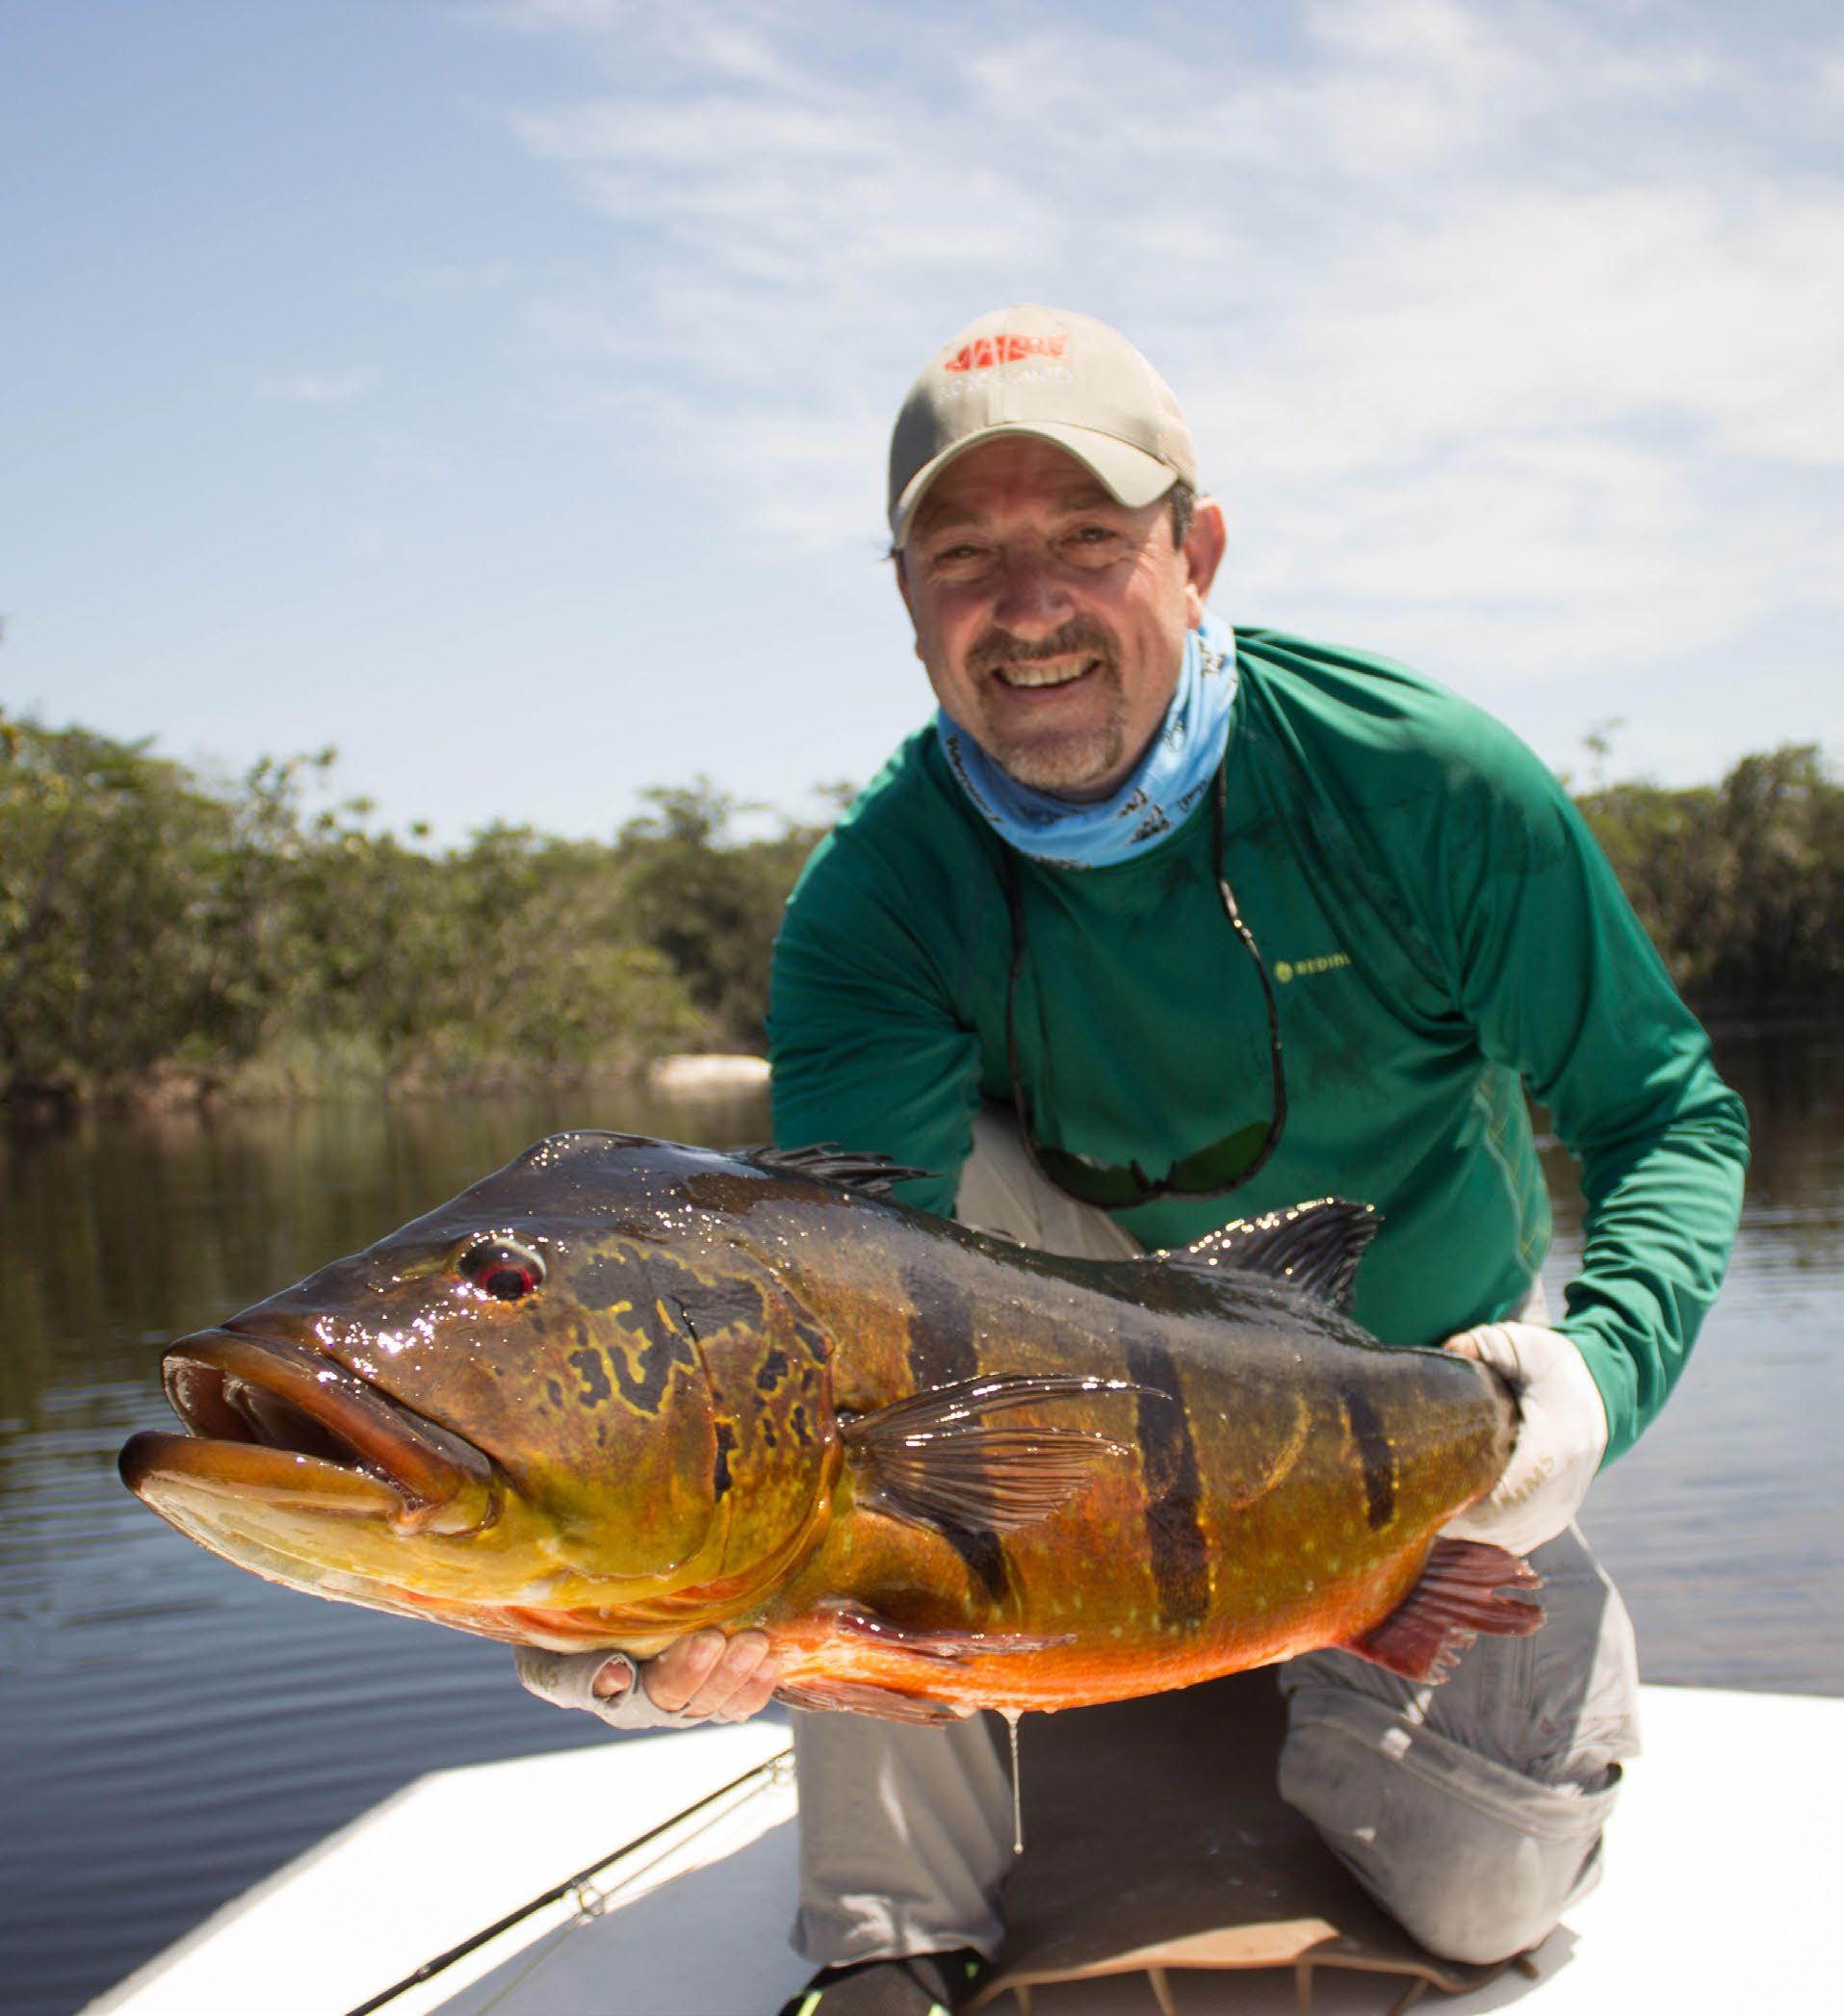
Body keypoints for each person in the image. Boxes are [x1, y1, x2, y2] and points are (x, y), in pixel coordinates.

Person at [518, 304, 1749, 2016]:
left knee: (1485, 1896)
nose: (1029, 606)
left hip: (1413, 1427)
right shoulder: (876, 903)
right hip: (1085, 1402)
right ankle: (891, 1931)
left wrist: (1595, 1374)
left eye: (1089, 536)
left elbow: (1667, 1110)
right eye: (966, 552)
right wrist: (621, 1616)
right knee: (849, 1284)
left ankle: (1246, 1650)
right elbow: (838, 1346)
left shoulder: (1424, 786)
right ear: (906, 598)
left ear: (1198, 551)